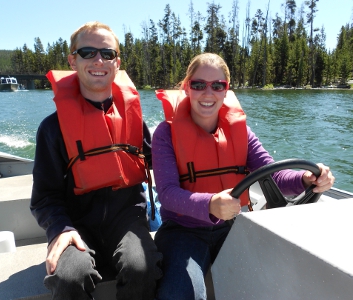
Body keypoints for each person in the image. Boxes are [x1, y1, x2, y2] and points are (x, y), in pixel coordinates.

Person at [151, 53, 335, 300]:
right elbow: (167, 194)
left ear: (226, 91)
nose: (208, 93)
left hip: (233, 228)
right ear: (187, 87)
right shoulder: (165, 134)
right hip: (183, 231)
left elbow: (275, 176)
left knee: (279, 282)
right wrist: (210, 204)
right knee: (179, 293)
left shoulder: (241, 132)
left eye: (218, 85)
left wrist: (307, 179)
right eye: (198, 85)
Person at [30, 21, 162, 300]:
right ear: (72, 60)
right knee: (69, 277)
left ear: (117, 63)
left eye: (107, 53)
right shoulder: (52, 129)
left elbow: (163, 168)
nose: (98, 60)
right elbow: (44, 198)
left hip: (127, 220)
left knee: (142, 269)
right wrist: (60, 229)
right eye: (88, 52)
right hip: (76, 224)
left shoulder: (136, 124)